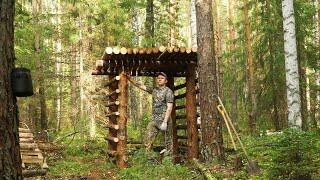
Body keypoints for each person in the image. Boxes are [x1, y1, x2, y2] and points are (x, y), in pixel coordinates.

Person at [126, 72, 174, 154]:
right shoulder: (154, 90)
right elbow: (141, 86)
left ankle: (168, 163)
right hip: (154, 120)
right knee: (147, 139)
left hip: (164, 120)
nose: (159, 79)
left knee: (168, 143)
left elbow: (169, 107)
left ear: (166, 81)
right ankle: (147, 159)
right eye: (158, 78)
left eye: (162, 78)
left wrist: (165, 122)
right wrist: (130, 79)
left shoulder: (168, 91)